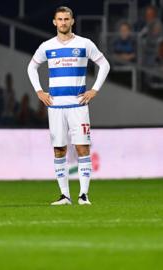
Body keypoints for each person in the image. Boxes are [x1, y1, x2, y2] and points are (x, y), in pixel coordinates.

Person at [27, 6, 110, 205]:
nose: (63, 22)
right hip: (55, 106)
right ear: (54, 22)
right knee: (59, 150)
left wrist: (94, 90)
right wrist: (39, 91)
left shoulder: (84, 44)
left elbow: (104, 64)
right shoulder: (47, 46)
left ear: (72, 21)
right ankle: (65, 195)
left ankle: (83, 195)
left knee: (82, 148)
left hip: (78, 105)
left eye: (67, 19)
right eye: (60, 19)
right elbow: (31, 66)